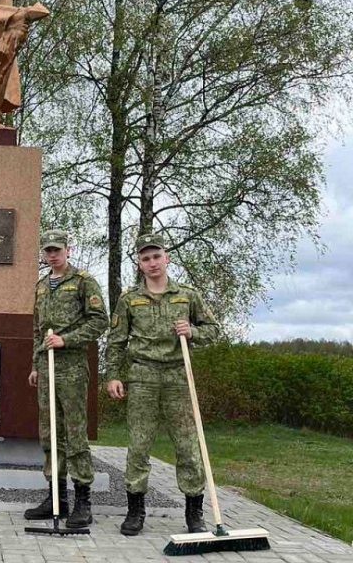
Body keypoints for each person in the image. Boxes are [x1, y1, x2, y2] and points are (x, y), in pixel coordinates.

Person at [106, 233, 220, 536]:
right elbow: (115, 341)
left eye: (156, 256)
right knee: (139, 444)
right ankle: (135, 511)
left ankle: (194, 513)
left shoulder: (187, 295)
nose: (152, 262)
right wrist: (113, 375)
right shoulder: (129, 299)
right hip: (142, 375)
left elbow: (213, 329)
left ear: (166, 257)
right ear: (139, 264)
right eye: (145, 258)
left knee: (187, 445)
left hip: (177, 376)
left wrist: (192, 331)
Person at [24, 229, 109, 528]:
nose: (53, 255)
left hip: (71, 367)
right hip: (46, 369)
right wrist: (36, 363)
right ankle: (56, 496)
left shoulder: (83, 282)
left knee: (74, 433)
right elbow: (38, 329)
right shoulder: (41, 286)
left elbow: (100, 320)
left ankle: (83, 500)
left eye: (57, 250)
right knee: (50, 433)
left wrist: (67, 340)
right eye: (48, 250)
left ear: (67, 251)